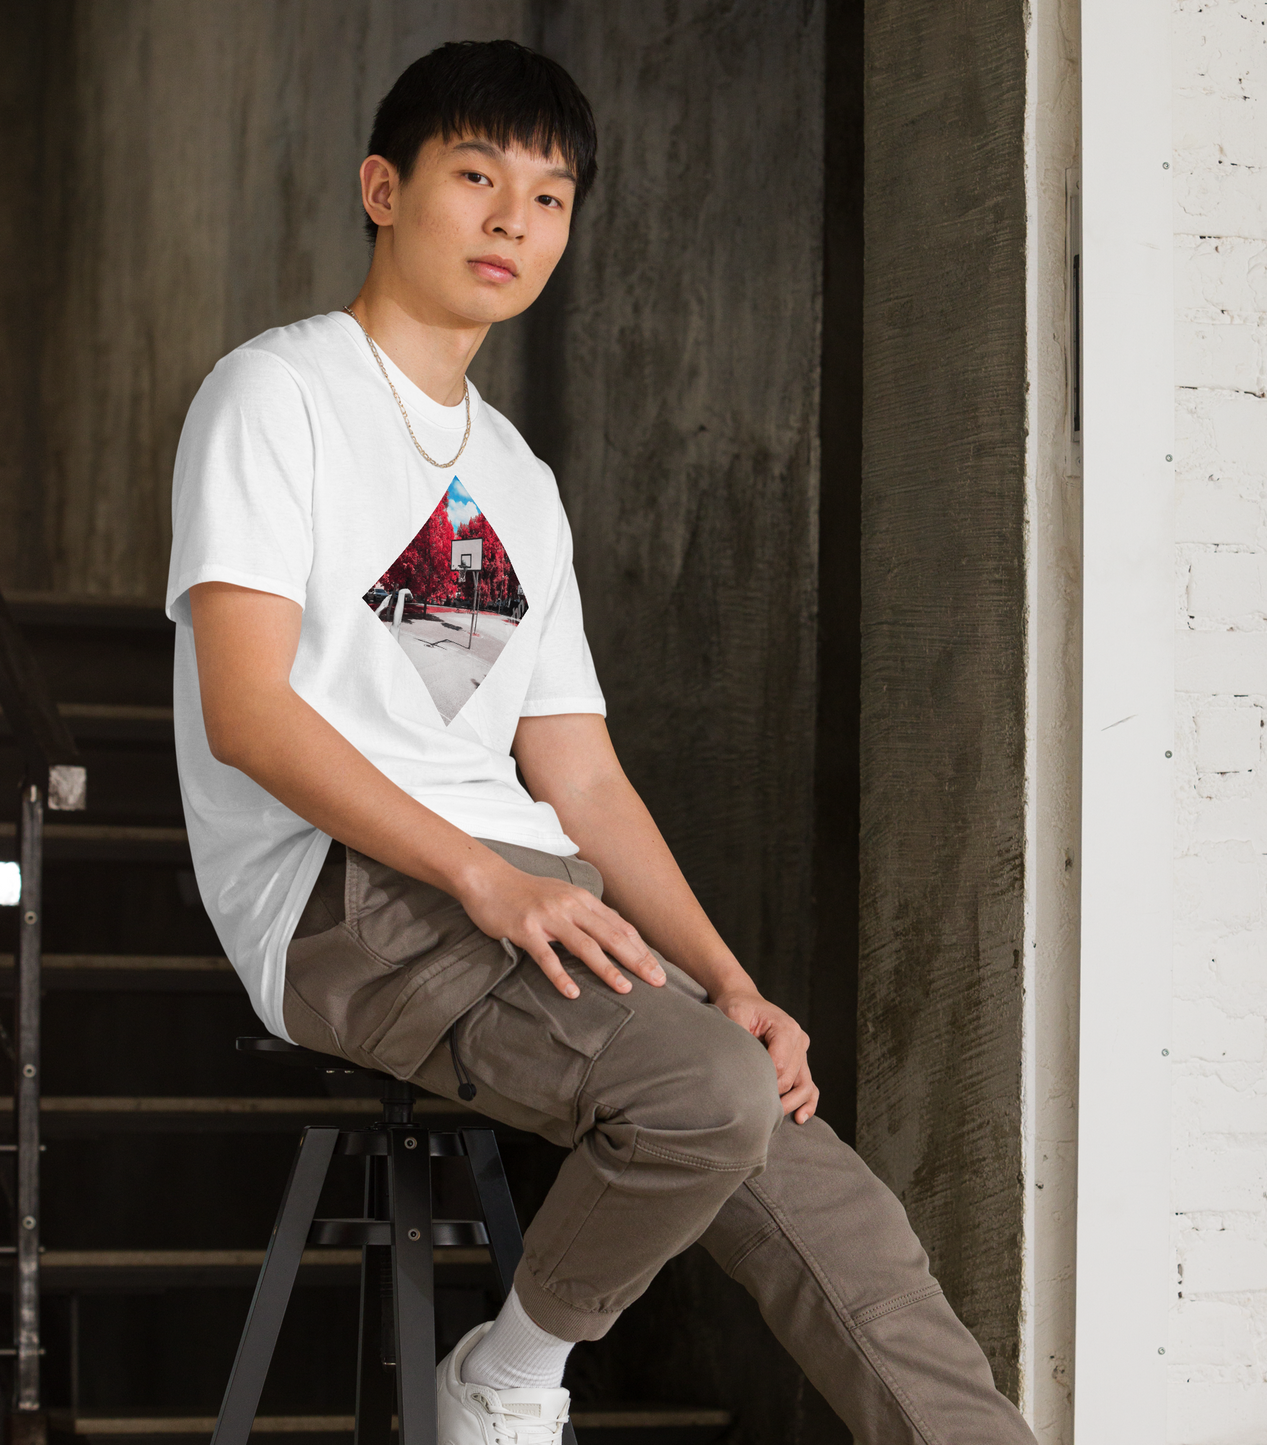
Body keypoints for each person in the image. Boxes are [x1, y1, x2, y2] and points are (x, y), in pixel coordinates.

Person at [165, 38, 1037, 1445]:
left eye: (552, 196)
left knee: (832, 1202)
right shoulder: (278, 397)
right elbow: (249, 714)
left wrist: (728, 978)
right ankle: (508, 1379)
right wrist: (486, 879)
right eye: (477, 176)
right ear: (382, 190)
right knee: (699, 1092)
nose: (517, 220)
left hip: (520, 882)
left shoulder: (512, 476)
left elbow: (576, 774)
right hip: (343, 893)